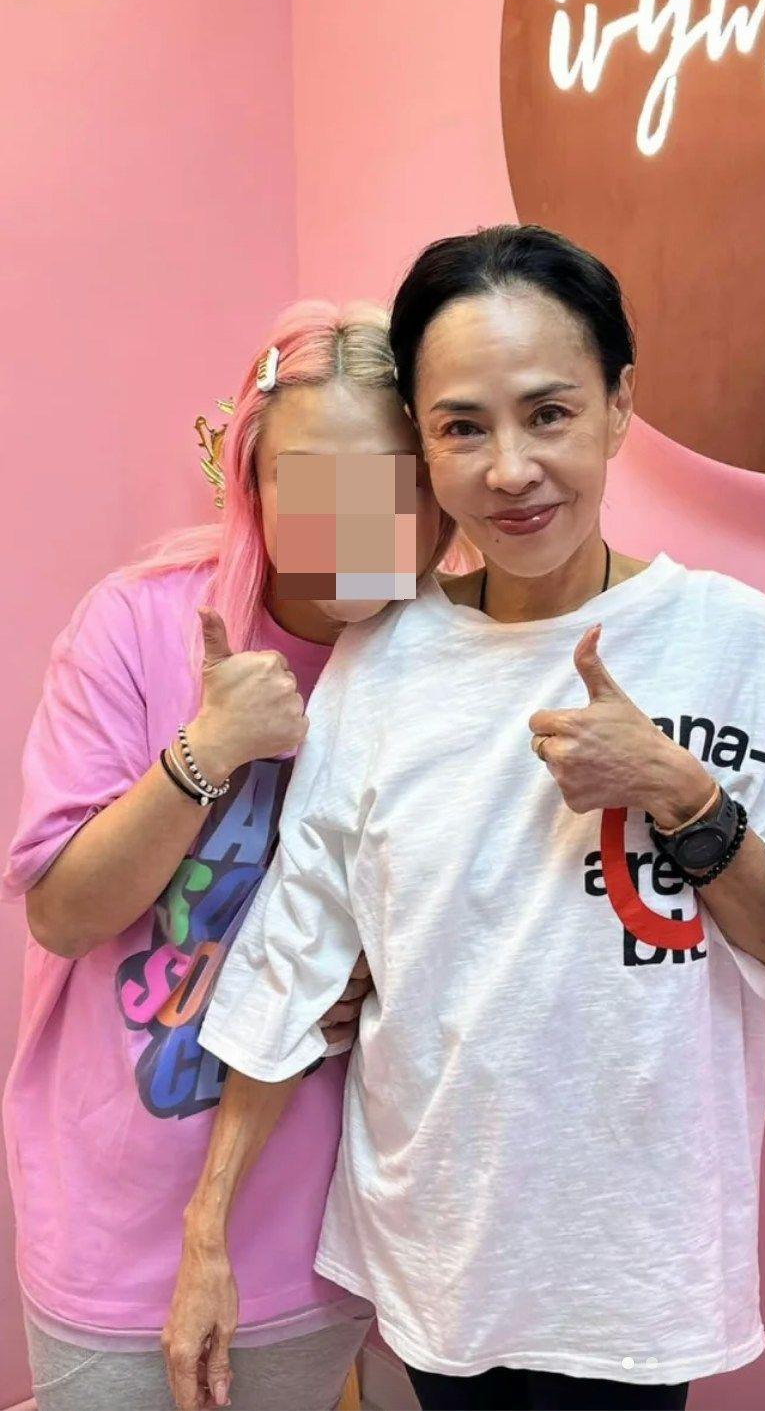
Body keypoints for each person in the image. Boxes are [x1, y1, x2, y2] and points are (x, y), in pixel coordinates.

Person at [177, 224, 765, 1411]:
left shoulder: (731, 641)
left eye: (549, 413)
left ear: (618, 407)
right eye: (463, 428)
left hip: (634, 1264)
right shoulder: (383, 660)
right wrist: (207, 1229)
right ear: (422, 446)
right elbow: (298, 946)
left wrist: (681, 792)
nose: (510, 470)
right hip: (435, 1244)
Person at [2, 300, 453, 1411]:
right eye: (310, 484)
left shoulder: (448, 654)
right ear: (250, 482)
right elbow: (62, 913)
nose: (350, 524)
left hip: (332, 1224)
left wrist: (377, 976)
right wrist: (206, 752)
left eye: (385, 482)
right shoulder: (139, 622)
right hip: (118, 1218)